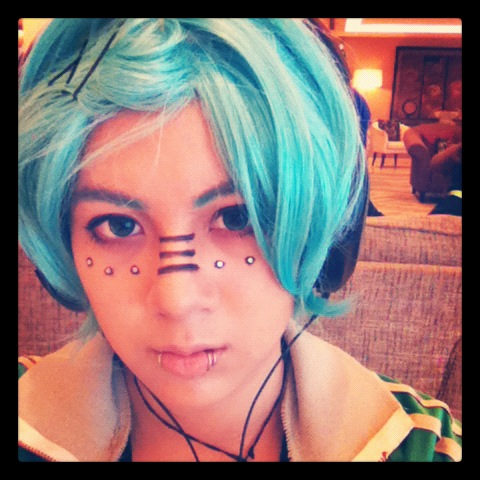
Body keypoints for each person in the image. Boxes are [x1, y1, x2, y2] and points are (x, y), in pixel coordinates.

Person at [18, 18, 461, 462]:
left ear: (325, 241)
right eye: (118, 226)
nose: (177, 301)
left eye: (236, 218)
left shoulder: (428, 446)